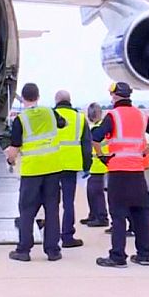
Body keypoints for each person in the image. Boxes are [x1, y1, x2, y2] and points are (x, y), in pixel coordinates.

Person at [91, 82, 149, 268]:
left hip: (118, 171)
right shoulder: (141, 116)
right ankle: (144, 255)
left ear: (114, 96)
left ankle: (118, 256)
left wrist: (101, 155)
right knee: (142, 213)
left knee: (118, 215)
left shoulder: (113, 116)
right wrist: (147, 150)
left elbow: (96, 136)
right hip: (137, 171)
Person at [5, 83, 67, 262]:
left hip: (32, 172)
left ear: (23, 98)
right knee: (52, 210)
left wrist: (10, 160)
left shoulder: (20, 120)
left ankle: (24, 250)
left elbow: (14, 148)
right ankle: (53, 251)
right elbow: (63, 124)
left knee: (26, 211)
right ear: (38, 96)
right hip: (53, 169)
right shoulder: (50, 112)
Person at [54, 90, 92, 248]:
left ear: (56, 100)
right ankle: (67, 236)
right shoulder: (80, 118)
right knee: (68, 202)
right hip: (71, 164)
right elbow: (86, 144)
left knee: (51, 202)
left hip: (52, 163)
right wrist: (87, 166)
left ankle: (51, 235)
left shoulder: (51, 116)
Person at [81, 102, 109, 228]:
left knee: (96, 192)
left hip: (98, 163)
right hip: (98, 163)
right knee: (91, 191)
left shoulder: (97, 129)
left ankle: (101, 217)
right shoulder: (101, 127)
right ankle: (93, 214)